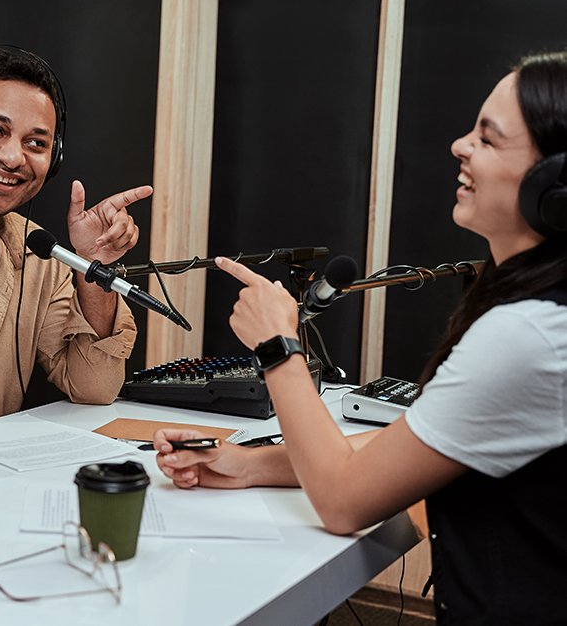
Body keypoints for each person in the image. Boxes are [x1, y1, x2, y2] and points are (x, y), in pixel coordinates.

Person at [154, 51, 567, 624]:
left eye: (488, 138)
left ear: (556, 186)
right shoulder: (538, 316)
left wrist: (278, 346)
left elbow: (344, 501)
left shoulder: (530, 335)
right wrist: (248, 465)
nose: (460, 146)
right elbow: (408, 453)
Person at [0, 45, 152, 418]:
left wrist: (93, 266)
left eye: (36, 144)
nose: (12, 158)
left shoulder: (39, 257)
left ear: (53, 160)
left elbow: (95, 387)